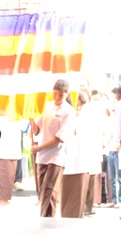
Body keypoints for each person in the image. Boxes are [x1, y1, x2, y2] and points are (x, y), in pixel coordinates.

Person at [30, 80, 74, 218]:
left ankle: (45, 219)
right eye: (55, 93)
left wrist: (39, 148)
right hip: (42, 156)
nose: (57, 97)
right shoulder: (47, 106)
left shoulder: (69, 111)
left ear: (66, 94)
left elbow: (59, 138)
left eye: (61, 95)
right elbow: (36, 130)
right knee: (43, 190)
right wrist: (31, 117)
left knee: (49, 189)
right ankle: (47, 218)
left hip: (57, 155)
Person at [59, 91, 92, 219]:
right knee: (72, 197)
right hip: (74, 161)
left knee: (74, 196)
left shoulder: (79, 116)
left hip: (77, 160)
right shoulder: (76, 115)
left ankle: (74, 215)